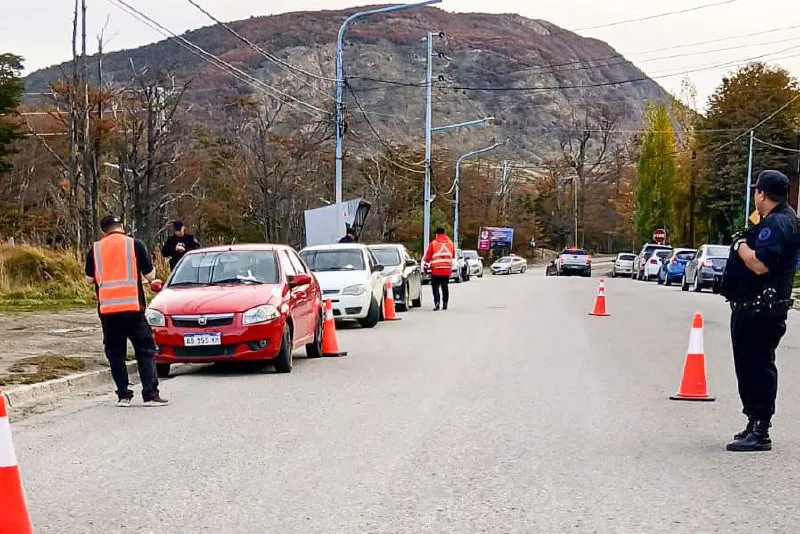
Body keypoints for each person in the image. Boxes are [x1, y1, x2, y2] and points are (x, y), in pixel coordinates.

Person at [723, 170, 799, 452]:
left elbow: (760, 264)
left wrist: (739, 244)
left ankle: (760, 429)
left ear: (761, 194)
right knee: (749, 366)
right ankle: (754, 420)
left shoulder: (778, 223)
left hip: (761, 310)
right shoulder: (779, 219)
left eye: (756, 191)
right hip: (754, 308)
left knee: (757, 367)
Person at [85, 215, 169, 407]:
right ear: (122, 227)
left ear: (103, 231)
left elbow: (89, 279)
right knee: (145, 351)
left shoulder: (96, 249)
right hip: (133, 308)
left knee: (116, 354)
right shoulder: (135, 244)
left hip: (107, 310)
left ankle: (123, 396)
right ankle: (150, 395)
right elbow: (150, 275)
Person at [423, 227, 455, 311]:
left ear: (437, 234)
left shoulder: (433, 243)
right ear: (444, 233)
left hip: (436, 269)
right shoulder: (451, 243)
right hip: (447, 269)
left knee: (435, 286)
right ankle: (445, 303)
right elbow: (453, 255)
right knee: (445, 286)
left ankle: (437, 302)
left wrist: (425, 268)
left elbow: (428, 257)